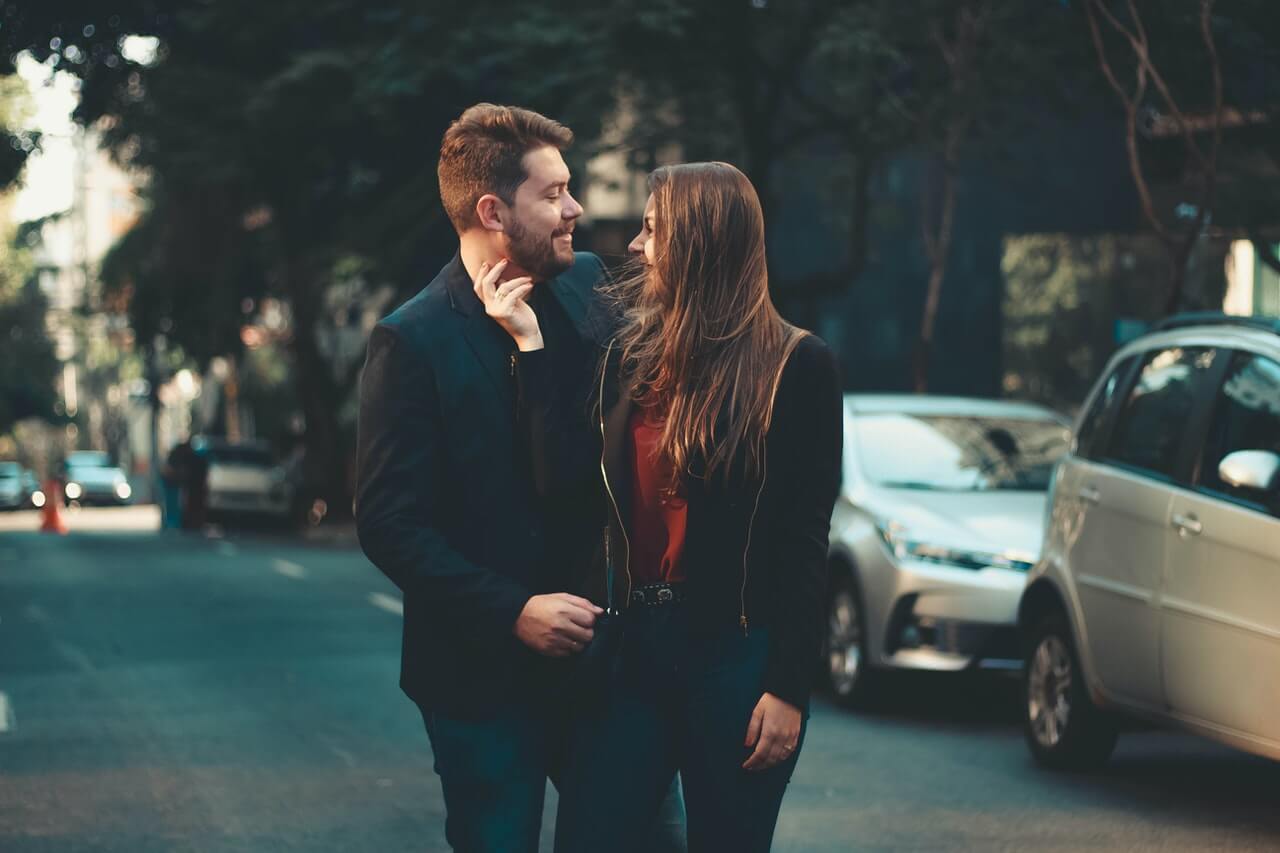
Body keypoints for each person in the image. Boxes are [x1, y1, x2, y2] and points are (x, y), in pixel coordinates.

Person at [481, 162, 843, 852]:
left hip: (736, 658)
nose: (638, 248)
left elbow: (804, 538)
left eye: (653, 230)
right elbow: (563, 482)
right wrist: (527, 344)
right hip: (632, 652)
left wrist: (789, 688)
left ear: (700, 241)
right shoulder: (628, 355)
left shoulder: (799, 365)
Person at [355, 103, 684, 853]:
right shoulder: (412, 339)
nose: (576, 209)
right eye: (555, 193)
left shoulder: (589, 286)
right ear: (493, 210)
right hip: (479, 680)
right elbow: (388, 522)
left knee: (654, 840)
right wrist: (512, 609)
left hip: (604, 664)